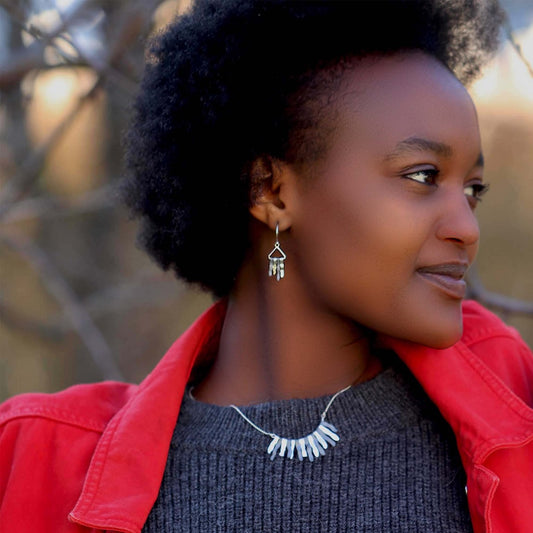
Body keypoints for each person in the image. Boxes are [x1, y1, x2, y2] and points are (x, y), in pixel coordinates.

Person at [1, 0, 532, 531]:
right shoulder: (34, 463)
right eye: (422, 177)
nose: (467, 227)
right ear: (272, 192)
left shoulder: (515, 407)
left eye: (472, 190)